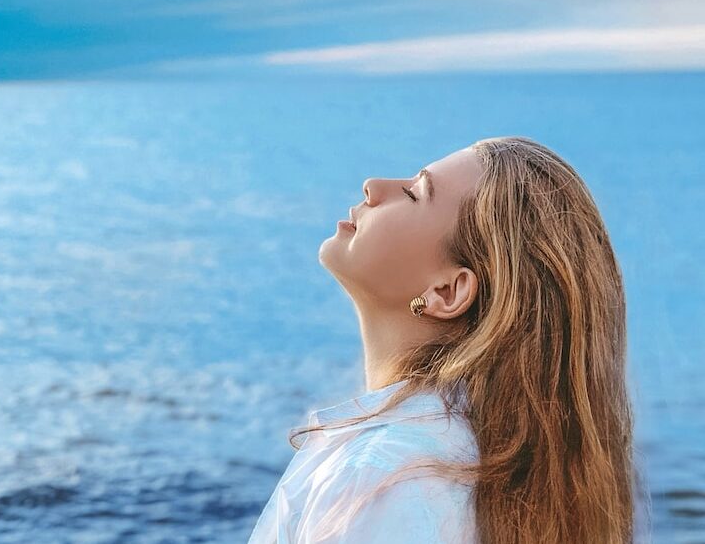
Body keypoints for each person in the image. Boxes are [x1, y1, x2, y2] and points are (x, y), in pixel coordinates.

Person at [247, 136, 636, 544]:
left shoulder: (387, 478)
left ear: (447, 292)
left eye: (415, 194)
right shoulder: (471, 462)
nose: (373, 185)